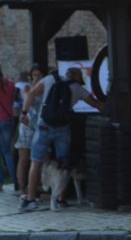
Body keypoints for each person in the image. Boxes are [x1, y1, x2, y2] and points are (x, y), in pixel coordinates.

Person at [19, 67, 103, 211]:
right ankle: (61, 199)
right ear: (77, 76)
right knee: (64, 163)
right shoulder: (78, 88)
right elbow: (97, 105)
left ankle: (30, 199)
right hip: (63, 128)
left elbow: (31, 94)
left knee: (36, 162)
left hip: (44, 125)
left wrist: (24, 112)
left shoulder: (49, 79)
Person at [14, 65, 44, 200]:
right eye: (34, 75)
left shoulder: (46, 88)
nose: (36, 77)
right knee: (24, 159)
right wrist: (34, 84)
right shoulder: (27, 87)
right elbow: (28, 99)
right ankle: (22, 188)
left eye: (39, 75)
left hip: (41, 126)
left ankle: (34, 188)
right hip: (27, 126)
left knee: (39, 159)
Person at [0, 66, 16, 192]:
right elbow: (14, 100)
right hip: (7, 120)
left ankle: (0, 185)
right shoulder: (11, 84)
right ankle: (17, 183)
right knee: (8, 153)